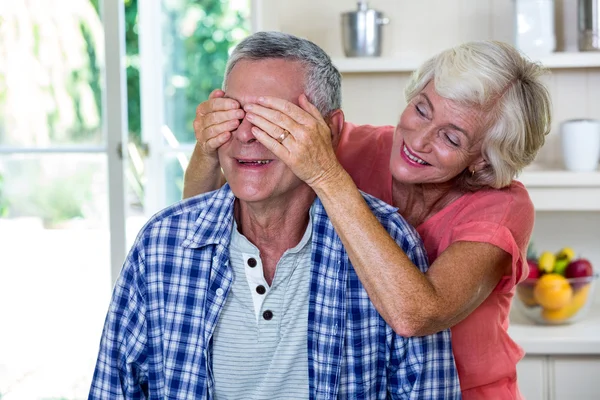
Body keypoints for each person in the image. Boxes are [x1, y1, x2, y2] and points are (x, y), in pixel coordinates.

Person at [89, 31, 461, 399]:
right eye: (233, 114)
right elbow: (112, 388)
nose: (247, 134)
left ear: (329, 132)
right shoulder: (160, 243)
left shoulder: (389, 240)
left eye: (272, 118)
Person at [183, 38, 552, 399]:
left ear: (483, 159)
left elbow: (416, 316)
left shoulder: (501, 208)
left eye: (451, 138)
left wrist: (326, 175)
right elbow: (199, 229)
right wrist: (209, 146)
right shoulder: (352, 146)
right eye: (422, 109)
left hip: (466, 391)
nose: (418, 139)